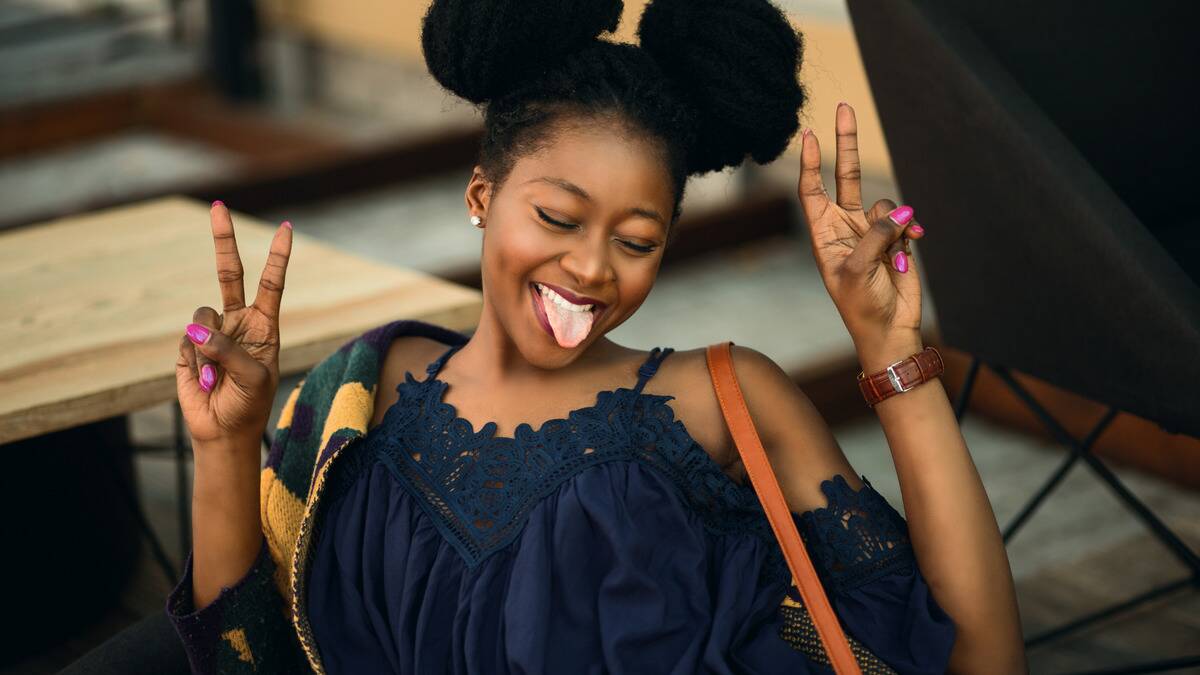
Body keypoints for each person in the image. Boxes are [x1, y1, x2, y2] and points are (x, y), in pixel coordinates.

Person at [165, 0, 1027, 672]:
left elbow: (972, 655)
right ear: (480, 196)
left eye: (637, 240)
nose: (590, 269)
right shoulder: (361, 392)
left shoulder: (724, 399)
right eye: (557, 216)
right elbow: (246, 653)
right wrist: (229, 446)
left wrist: (887, 352)